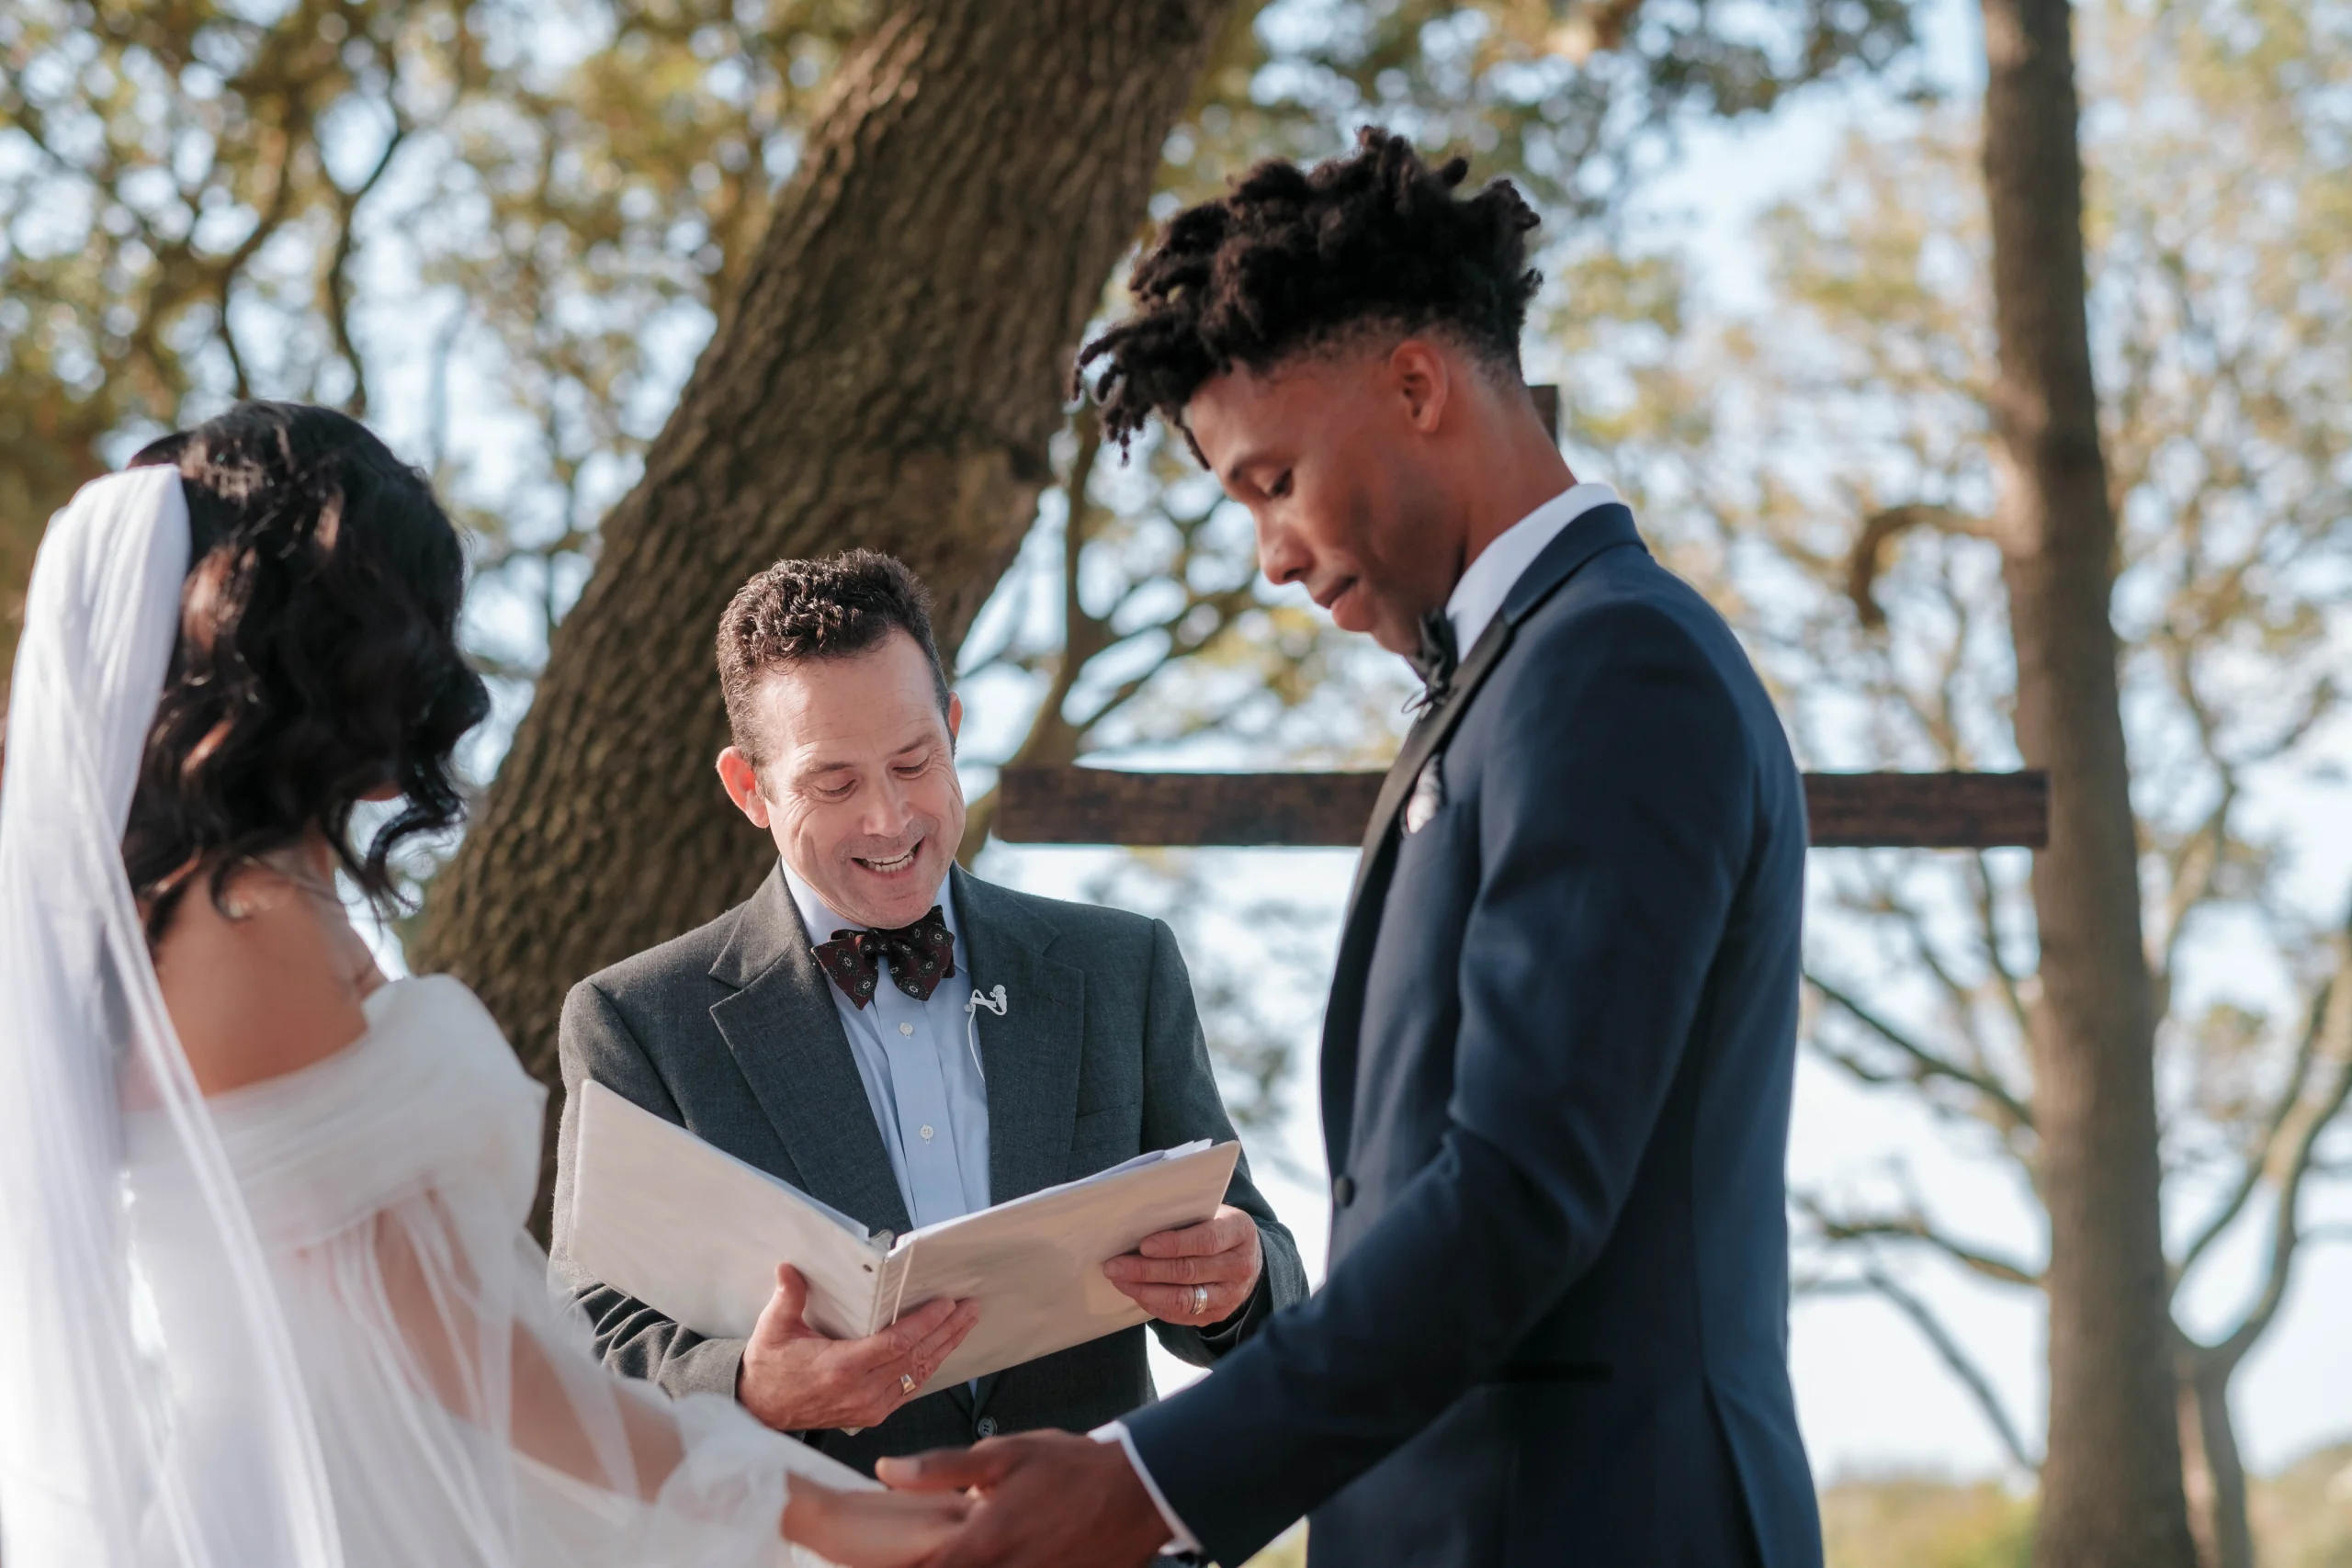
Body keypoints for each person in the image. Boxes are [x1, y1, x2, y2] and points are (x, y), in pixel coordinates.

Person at [881, 130, 1824, 1568]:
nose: (1267, 552)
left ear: (1417, 383)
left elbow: (1518, 1191)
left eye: (1274, 479)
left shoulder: (1615, 665)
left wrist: (1147, 1480)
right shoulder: (1517, 682)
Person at [0, 401, 970, 1568]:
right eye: (414, 619)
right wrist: (813, 1511)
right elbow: (454, 1346)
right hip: (360, 1513)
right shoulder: (239, 924)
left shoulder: (243, 899)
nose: (436, 668)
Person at [548, 551, 1306, 1475]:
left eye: (914, 762)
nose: (890, 818)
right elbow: (589, 1342)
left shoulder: (1121, 967)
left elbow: (1260, 1267)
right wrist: (747, 1388)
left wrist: (1236, 1280)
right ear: (750, 791)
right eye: (834, 784)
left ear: (952, 728)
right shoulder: (635, 1022)